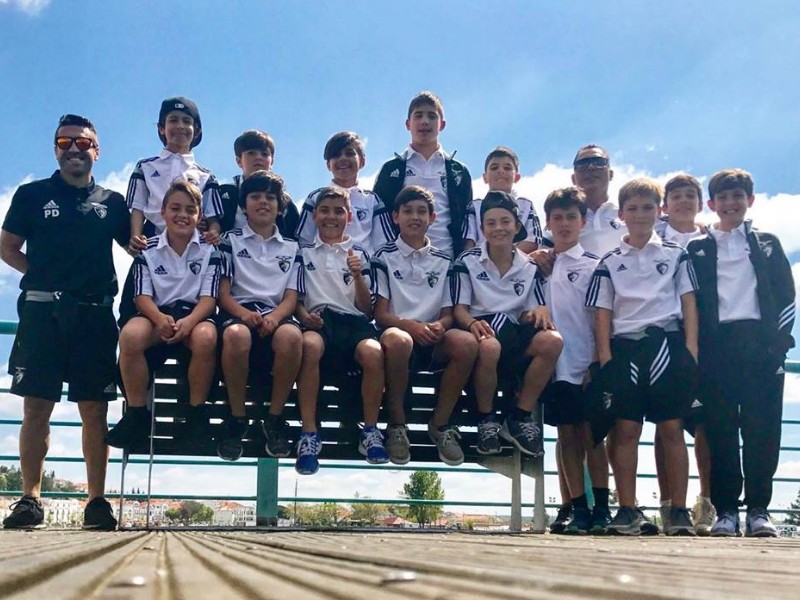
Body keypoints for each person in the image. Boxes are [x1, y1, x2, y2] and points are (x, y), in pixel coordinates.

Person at [1, 114, 129, 530]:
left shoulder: (113, 202)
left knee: (95, 409)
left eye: (83, 142)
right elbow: (7, 247)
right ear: (56, 148)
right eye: (65, 142)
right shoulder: (32, 195)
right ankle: (30, 499)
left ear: (97, 151)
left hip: (95, 314)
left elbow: (144, 246)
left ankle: (96, 502)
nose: (74, 148)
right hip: (42, 313)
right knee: (36, 407)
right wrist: (41, 277)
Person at [586, 177, 699, 536]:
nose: (640, 214)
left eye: (648, 207)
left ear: (659, 210)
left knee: (671, 428)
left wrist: (691, 350)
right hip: (625, 350)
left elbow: (689, 303)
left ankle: (678, 511)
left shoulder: (675, 254)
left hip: (666, 346)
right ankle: (627, 509)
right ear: (621, 214)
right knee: (626, 430)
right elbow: (602, 312)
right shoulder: (609, 262)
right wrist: (605, 359)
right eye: (632, 208)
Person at [687, 169, 795, 537]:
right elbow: (690, 302)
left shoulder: (768, 243)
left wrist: (777, 344)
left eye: (737, 196)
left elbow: (787, 296)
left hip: (761, 347)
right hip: (716, 349)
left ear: (749, 200)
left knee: (762, 430)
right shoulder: (697, 249)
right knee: (720, 431)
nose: (730, 203)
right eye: (723, 197)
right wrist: (698, 349)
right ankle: (727, 511)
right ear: (711, 203)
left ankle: (759, 510)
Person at [106, 180, 221, 454]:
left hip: (193, 316)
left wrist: (189, 322)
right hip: (155, 315)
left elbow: (209, 300)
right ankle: (137, 414)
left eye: (190, 210)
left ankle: (195, 416)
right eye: (175, 208)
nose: (182, 215)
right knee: (130, 335)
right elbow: (141, 297)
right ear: (163, 212)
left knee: (206, 337)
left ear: (199, 216)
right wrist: (159, 319)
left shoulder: (211, 251)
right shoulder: (147, 249)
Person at [372, 185, 479, 465]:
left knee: (467, 343)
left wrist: (440, 326)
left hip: (433, 339)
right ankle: (397, 425)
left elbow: (449, 313)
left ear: (432, 218)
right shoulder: (382, 256)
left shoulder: (444, 261)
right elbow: (380, 314)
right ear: (395, 217)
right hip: (398, 338)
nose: (415, 217)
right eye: (408, 211)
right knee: (398, 339)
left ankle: (440, 426)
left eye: (422, 211)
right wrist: (412, 327)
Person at [452, 191, 563, 457]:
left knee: (552, 340)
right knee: (490, 345)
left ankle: (519, 416)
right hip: (481, 332)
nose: (498, 228)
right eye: (491, 223)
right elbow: (459, 309)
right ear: (482, 229)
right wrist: (471, 324)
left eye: (505, 221)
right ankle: (486, 420)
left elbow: (528, 313)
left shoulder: (530, 266)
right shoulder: (467, 261)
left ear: (516, 227)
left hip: (514, 334)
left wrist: (540, 310)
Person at [294, 186, 388, 475]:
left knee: (374, 353)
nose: (331, 217)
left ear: (349, 217)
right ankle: (309, 433)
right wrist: (304, 316)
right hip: (319, 321)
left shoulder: (360, 254)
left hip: (354, 323)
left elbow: (366, 309)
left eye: (338, 211)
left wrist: (358, 275)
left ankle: (370, 430)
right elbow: (295, 299)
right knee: (308, 346)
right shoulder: (302, 252)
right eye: (324, 211)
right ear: (314, 216)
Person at [538, 187, 611, 535]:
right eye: (557, 218)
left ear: (583, 222)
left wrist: (596, 363)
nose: (564, 224)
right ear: (548, 223)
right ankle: (578, 508)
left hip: (586, 365)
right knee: (566, 437)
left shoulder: (595, 266)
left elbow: (601, 319)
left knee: (593, 437)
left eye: (571, 217)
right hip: (556, 368)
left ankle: (602, 508)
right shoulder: (538, 266)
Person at [216, 171, 303, 461]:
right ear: (244, 206)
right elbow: (223, 294)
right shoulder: (229, 241)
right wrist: (244, 314)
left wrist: (275, 318)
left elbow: (291, 297)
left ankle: (274, 418)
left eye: (270, 198)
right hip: (239, 313)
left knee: (292, 337)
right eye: (255, 197)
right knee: (236, 336)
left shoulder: (292, 247)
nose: (263, 202)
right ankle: (237, 417)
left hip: (277, 315)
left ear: (280, 206)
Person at [652, 173, 715, 535]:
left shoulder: (712, 238)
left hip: (708, 341)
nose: (683, 201)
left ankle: (705, 502)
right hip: (667, 337)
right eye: (676, 196)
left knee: (705, 424)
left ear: (700, 202)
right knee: (666, 423)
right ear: (666, 204)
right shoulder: (654, 237)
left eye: (690, 195)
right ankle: (668, 503)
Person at [373, 91, 473, 258]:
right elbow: (379, 219)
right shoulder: (391, 170)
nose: (425, 121)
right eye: (418, 115)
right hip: (400, 262)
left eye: (432, 116)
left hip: (447, 261)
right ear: (408, 124)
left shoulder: (459, 172)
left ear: (442, 124)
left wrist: (462, 261)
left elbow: (467, 222)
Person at [126, 97, 222, 248]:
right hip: (153, 244)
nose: (180, 126)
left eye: (187, 121)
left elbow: (212, 217)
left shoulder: (206, 176)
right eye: (173, 120)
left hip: (193, 248)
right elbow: (137, 207)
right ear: (161, 128)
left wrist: (213, 232)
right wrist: (136, 237)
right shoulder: (145, 167)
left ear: (197, 130)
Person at [296, 131, 395, 255]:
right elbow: (303, 242)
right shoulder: (315, 198)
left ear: (362, 161)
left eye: (349, 153)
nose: (343, 159)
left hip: (363, 266)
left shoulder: (372, 201)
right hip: (323, 265)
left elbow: (384, 246)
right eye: (336, 155)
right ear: (328, 165)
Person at [218, 129, 300, 238]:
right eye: (251, 153)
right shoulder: (224, 194)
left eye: (264, 154)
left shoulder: (285, 201)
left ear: (272, 162)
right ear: (239, 161)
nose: (258, 157)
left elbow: (294, 236)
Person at [465, 146, 542, 253]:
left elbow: (533, 241)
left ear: (517, 177)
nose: (501, 171)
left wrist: (508, 258)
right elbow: (468, 241)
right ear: (485, 177)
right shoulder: (475, 206)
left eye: (507, 168)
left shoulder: (525, 205)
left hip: (519, 261)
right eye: (494, 168)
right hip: (479, 261)